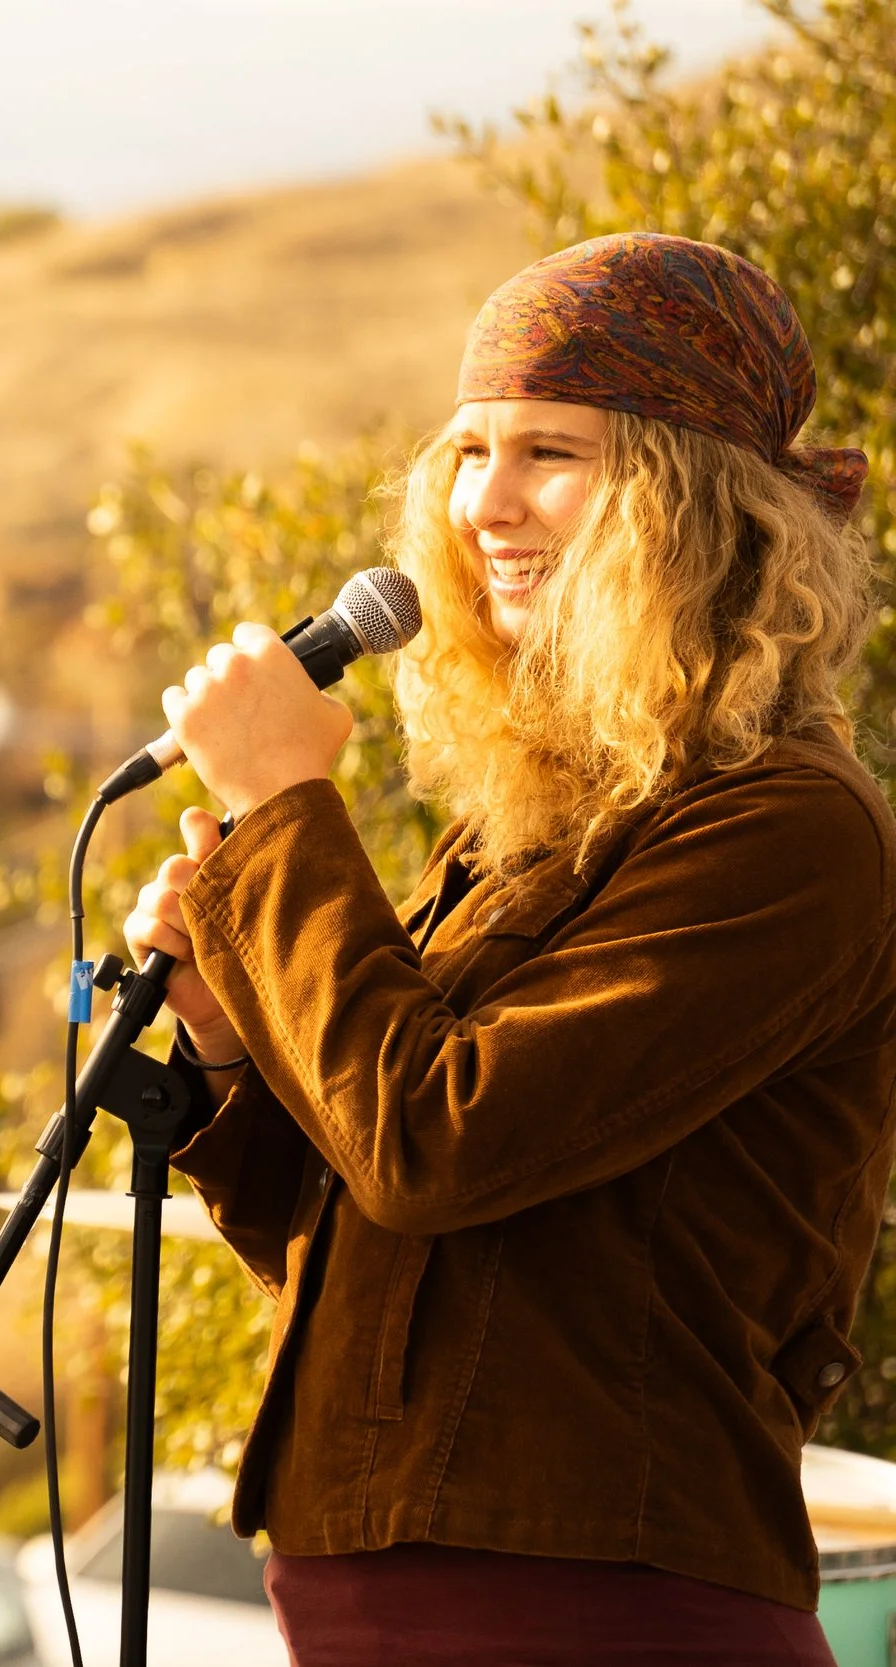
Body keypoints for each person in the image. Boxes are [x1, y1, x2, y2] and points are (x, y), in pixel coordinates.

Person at [122, 232, 891, 1665]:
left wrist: (288, 809)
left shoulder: (790, 825)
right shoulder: (529, 822)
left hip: (603, 1600)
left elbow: (438, 1141)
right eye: (469, 451)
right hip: (371, 1578)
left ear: (690, 500)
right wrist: (229, 1027)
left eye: (551, 452)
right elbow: (351, 1212)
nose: (486, 503)